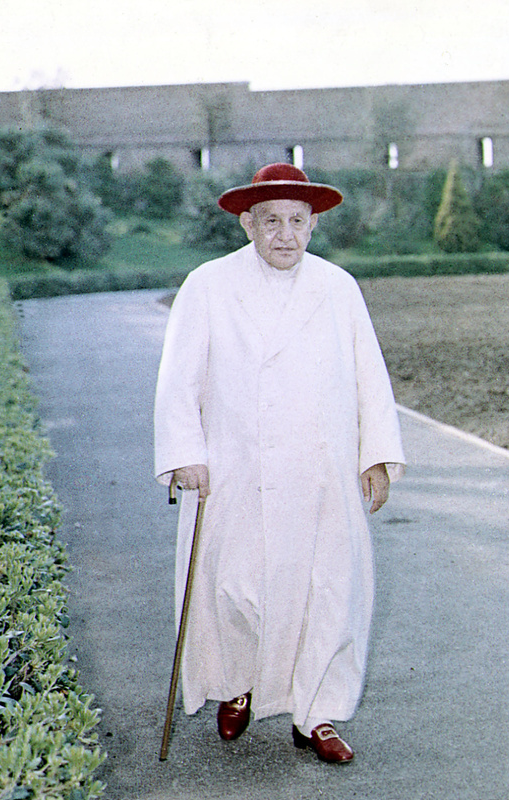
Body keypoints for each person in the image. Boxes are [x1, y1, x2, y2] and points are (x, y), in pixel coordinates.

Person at [154, 163, 405, 763]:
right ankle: (236, 685)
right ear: (248, 223)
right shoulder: (208, 285)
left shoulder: (338, 287)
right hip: (238, 467)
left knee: (329, 591)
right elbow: (177, 379)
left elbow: (370, 376)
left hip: (322, 470)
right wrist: (185, 453)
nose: (285, 235)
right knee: (237, 588)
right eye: (272, 222)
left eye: (297, 221)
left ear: (313, 224)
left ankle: (316, 715)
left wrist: (376, 456)